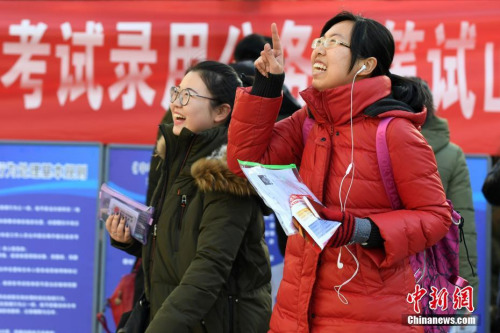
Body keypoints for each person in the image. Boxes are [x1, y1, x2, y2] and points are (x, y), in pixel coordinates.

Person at [227, 11, 452, 332]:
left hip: (372, 316)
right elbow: (244, 163)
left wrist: (361, 229)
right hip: (295, 311)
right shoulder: (308, 121)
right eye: (320, 40)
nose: (319, 49)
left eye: (334, 42)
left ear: (366, 65)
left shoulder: (395, 132)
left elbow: (436, 216)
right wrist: (266, 86)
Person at [106, 60, 272, 333]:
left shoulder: (225, 174)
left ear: (221, 111)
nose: (176, 104)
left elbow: (209, 269)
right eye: (176, 93)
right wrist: (130, 240)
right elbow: (175, 249)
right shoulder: (176, 160)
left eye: (188, 96)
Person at [416, 77, 478, 305]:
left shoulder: (373, 148)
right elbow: (464, 234)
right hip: (432, 288)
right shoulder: (452, 154)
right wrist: (464, 305)